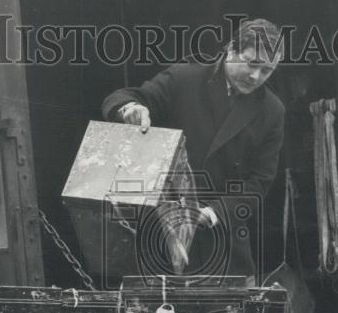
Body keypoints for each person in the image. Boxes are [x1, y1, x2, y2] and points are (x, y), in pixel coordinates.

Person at [102, 18, 285, 281]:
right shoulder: (184, 78)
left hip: (225, 246)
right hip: (161, 240)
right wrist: (131, 109)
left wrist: (211, 213)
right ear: (230, 49)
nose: (255, 76)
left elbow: (259, 182)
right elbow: (124, 97)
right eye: (251, 63)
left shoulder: (272, 110)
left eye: (266, 70)